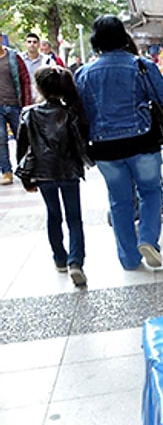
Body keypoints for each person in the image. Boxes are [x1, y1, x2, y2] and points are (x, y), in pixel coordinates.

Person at [74, 15, 163, 270]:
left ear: (96, 41)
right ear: (123, 37)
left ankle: (128, 258)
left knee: (119, 201)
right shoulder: (142, 66)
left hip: (105, 148)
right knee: (150, 192)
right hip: (142, 142)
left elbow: (79, 114)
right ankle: (148, 239)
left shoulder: (83, 74)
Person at [15, 66, 93, 286]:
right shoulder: (71, 113)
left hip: (43, 172)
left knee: (53, 215)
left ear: (39, 87)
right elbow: (80, 142)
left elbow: (22, 149)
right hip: (69, 171)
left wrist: (26, 178)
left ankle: (59, 257)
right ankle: (76, 262)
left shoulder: (29, 114)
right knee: (74, 218)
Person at [0, 40, 33, 184]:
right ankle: (6, 172)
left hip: (14, 104)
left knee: (23, 137)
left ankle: (26, 168)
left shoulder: (13, 56)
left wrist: (26, 103)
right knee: (0, 138)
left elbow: (25, 79)